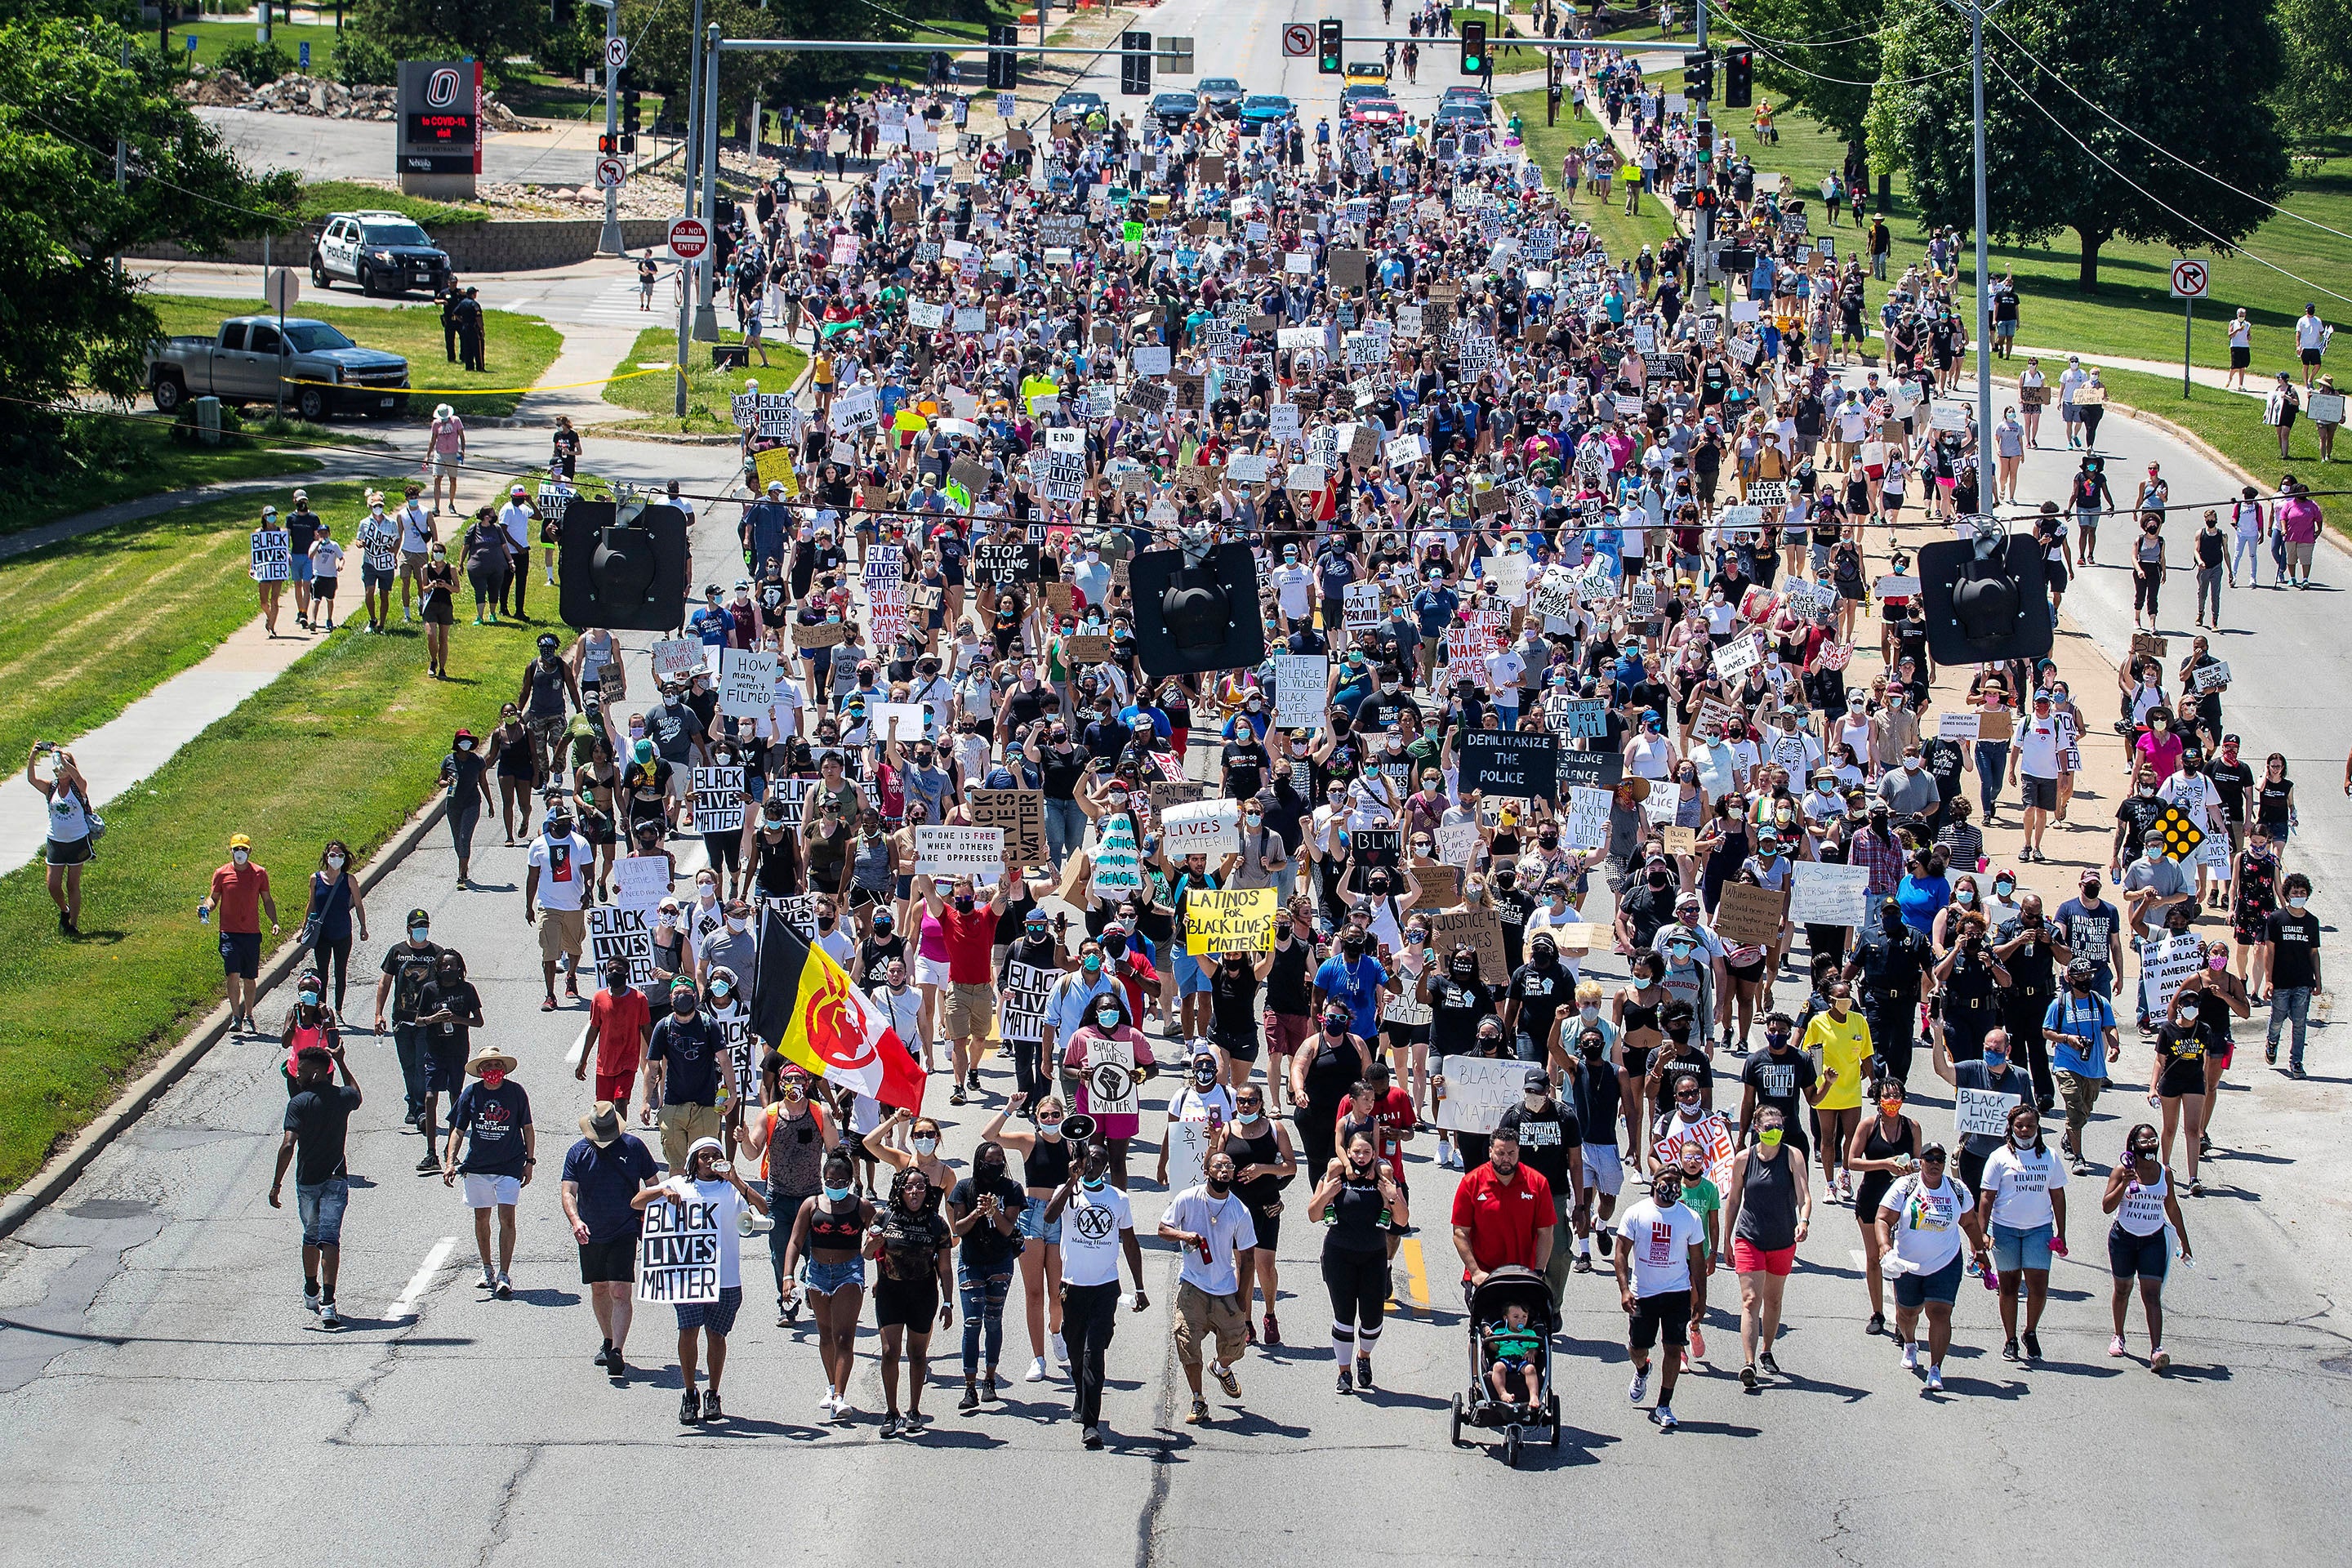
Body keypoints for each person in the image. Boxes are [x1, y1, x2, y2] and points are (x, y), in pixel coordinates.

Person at [635, 1136, 767, 1424]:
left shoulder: (731, 1190)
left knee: (717, 1336)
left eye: (714, 1156)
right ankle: (690, 1391)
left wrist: (736, 1180)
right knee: (688, 1332)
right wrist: (663, 1193)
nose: (709, 1161)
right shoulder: (680, 1184)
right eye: (703, 1156)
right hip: (689, 1277)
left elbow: (764, 1209)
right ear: (694, 1159)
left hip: (725, 1277)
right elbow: (637, 1202)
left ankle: (713, 1392)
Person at [1044, 1139, 1149, 1450]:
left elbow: (1130, 1242)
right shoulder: (1067, 1193)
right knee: (1077, 1353)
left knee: (1094, 1354)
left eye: (1099, 1161)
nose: (1093, 1165)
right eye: (1089, 1160)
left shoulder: (1118, 1198)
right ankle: (1080, 1391)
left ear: (1106, 1167)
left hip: (1105, 1288)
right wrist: (1071, 1180)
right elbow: (1050, 1217)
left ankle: (1091, 1424)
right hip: (1072, 1286)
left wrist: (1140, 1286)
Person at [1875, 1142, 1992, 1392]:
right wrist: (1885, 1246)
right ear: (1922, 1161)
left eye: (1940, 1159)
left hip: (1945, 1262)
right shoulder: (1906, 1186)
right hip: (1908, 1264)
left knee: (1940, 1313)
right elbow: (1883, 1218)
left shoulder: (1957, 1190)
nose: (1935, 1163)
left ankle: (1936, 1367)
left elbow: (1970, 1223)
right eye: (1930, 1158)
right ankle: (1909, 1343)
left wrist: (1980, 1252)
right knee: (1908, 1313)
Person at [559, 1101, 661, 1380]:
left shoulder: (634, 1147)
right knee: (599, 1288)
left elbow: (654, 1185)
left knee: (619, 1290)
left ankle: (617, 1350)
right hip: (591, 1232)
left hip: (625, 1230)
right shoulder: (577, 1153)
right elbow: (568, 1191)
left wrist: (656, 1218)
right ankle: (607, 1339)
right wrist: (576, 1221)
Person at [1159, 1147, 1258, 1423]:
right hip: (1192, 1286)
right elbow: (1162, 1229)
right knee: (1186, 1342)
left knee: (1235, 1346)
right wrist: (1185, 1235)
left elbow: (1248, 1258)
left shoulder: (1240, 1211)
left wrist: (1242, 1299)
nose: (1224, 1170)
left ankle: (1221, 1368)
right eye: (1218, 1166)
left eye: (1229, 1166)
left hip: (1225, 1288)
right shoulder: (1188, 1199)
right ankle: (1198, 1399)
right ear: (1206, 1172)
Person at [269, 1039, 362, 1330]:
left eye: (303, 1069)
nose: (297, 1074)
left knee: (313, 1236)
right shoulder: (341, 1098)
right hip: (336, 1178)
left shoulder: (298, 1103)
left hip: (308, 1181)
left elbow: (288, 1145)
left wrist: (276, 1185)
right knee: (330, 1239)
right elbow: (356, 1094)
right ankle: (328, 1303)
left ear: (319, 1072)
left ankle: (315, 1291)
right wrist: (342, 1061)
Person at [1720, 1105, 1811, 1387]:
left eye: (1779, 1127)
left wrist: (1804, 1221)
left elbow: (1804, 1196)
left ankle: (1766, 1350)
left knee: (1773, 1300)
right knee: (1750, 1300)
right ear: (1757, 1129)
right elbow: (1734, 1199)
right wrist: (1727, 1238)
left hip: (1783, 1238)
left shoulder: (1792, 1156)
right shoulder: (1744, 1159)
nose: (1775, 1132)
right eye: (1769, 1127)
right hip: (1750, 1237)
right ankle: (1748, 1363)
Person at [782, 1147, 875, 1420]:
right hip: (818, 1274)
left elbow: (880, 1239)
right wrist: (788, 1276)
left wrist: (882, 1271)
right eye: (830, 1181)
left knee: (844, 1337)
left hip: (850, 1273)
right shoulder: (811, 1205)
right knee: (826, 1335)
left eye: (841, 1183)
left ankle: (840, 1397)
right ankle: (831, 1384)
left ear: (850, 1182)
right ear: (823, 1179)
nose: (835, 1186)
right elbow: (796, 1241)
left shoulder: (861, 1207)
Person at [1612, 1165, 1708, 1431]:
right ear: (1655, 1183)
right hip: (1644, 1293)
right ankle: (1643, 1369)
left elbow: (1697, 1262)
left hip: (1677, 1293)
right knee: (1638, 1348)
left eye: (1677, 1182)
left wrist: (1701, 1298)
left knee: (1673, 1347)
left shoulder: (1690, 1218)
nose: (1672, 1187)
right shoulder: (1636, 1213)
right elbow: (1620, 1253)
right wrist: (1624, 1289)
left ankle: (1664, 1404)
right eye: (1667, 1181)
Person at [1312, 1126, 1405, 1395]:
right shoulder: (1336, 1174)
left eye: (1366, 1152)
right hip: (1338, 1254)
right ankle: (1344, 1372)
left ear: (1374, 1154)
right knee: (1343, 1317)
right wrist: (1327, 1195)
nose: (1361, 1157)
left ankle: (1363, 1357)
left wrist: (1391, 1195)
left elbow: (1402, 1220)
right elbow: (1313, 1214)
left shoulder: (1384, 1176)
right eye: (1356, 1152)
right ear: (1347, 1153)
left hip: (1374, 1255)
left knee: (1372, 1320)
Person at [866, 1165, 953, 1437]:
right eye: (909, 1187)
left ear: (927, 1191)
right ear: (900, 1191)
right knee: (890, 1352)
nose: (914, 1192)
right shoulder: (884, 1216)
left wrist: (948, 1303)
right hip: (891, 1291)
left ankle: (914, 1410)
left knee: (917, 1355)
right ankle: (892, 1413)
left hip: (923, 1293)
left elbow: (946, 1267)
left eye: (920, 1187)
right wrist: (875, 1241)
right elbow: (867, 1254)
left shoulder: (937, 1223)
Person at [1976, 1103, 2067, 1364]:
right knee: (2009, 1287)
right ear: (2011, 1128)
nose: (2025, 1130)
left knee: (2038, 1287)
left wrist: (2061, 1232)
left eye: (2030, 1126)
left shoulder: (2049, 1156)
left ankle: (2030, 1332)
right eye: (2020, 1126)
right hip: (2005, 1230)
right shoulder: (1999, 1157)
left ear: (2038, 1128)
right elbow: (1986, 1197)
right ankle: (2010, 1339)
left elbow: (2058, 1195)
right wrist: (1982, 1234)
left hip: (2039, 1231)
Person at [441, 1047, 534, 1299]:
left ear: (503, 1069)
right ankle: (487, 1269)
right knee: (482, 1218)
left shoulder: (515, 1092)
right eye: (488, 1066)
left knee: (507, 1218)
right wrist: (451, 1161)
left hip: (510, 1166)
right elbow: (458, 1130)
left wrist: (530, 1161)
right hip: (479, 1168)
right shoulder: (471, 1094)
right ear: (480, 1071)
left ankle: (504, 1274)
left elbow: (527, 1127)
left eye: (497, 1065)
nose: (493, 1070)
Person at [2104, 1122, 2191, 1371]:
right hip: (2124, 1239)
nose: (2150, 1144)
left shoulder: (2165, 1173)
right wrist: (2124, 1184)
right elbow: (2107, 1206)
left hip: (2153, 1240)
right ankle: (2118, 1336)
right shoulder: (2122, 1170)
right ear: (2133, 1146)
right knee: (2122, 1289)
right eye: (2144, 1141)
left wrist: (2185, 1242)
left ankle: (2156, 1349)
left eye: (2153, 1140)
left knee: (2152, 1295)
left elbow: (2172, 1208)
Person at [947, 1140, 1026, 1410]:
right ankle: (969, 1386)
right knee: (971, 1322)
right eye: (990, 1161)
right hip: (972, 1263)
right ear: (979, 1162)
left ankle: (989, 1379)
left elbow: (1007, 1229)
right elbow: (958, 1229)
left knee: (993, 1320)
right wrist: (977, 1213)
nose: (996, 1165)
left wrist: (995, 1211)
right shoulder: (964, 1188)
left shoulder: (1012, 1189)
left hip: (1000, 1263)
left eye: (1000, 1160)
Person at [1847, 1078, 1922, 1336]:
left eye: (1897, 1096)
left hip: (1902, 1200)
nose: (1893, 1101)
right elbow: (1852, 1161)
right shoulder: (1868, 1125)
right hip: (1872, 1196)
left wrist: (1908, 1167)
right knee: (1874, 1257)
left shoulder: (1912, 1126)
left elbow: (1918, 1163)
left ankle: (1904, 1318)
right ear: (1878, 1099)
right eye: (1887, 1096)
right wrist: (1885, 1164)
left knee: (1900, 1257)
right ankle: (1877, 1312)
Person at [644, 977, 726, 1171]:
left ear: (695, 997)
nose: (682, 997)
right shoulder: (663, 1026)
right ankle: (679, 1201)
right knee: (677, 1167)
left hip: (705, 1105)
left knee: (706, 1166)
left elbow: (725, 1061)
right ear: (671, 998)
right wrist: (646, 1100)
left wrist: (731, 1093)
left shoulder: (708, 1024)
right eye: (678, 993)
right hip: (673, 1104)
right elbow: (652, 1065)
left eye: (687, 993)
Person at [201, 833, 279, 1034]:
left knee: (249, 977)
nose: (240, 853)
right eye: (237, 849)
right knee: (232, 973)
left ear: (250, 851)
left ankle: (249, 1014)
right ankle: (236, 1016)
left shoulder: (259, 873)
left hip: (251, 933)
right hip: (229, 933)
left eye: (244, 849)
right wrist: (206, 908)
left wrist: (275, 922)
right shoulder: (221, 873)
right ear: (231, 851)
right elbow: (213, 899)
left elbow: (267, 900)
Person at [523, 805, 594, 1010]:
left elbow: (588, 872)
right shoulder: (538, 845)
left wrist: (588, 892)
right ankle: (550, 995)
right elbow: (533, 877)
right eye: (561, 822)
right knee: (549, 951)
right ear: (552, 824)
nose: (566, 825)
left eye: (568, 821)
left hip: (574, 904)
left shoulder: (580, 843)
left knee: (575, 947)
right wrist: (529, 906)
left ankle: (571, 975)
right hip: (548, 905)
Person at [27, 744, 92, 934]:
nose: (60, 768)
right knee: (53, 884)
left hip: (77, 840)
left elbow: (79, 778)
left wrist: (62, 757)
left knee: (72, 884)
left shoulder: (78, 786)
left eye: (64, 764)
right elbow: (32, 779)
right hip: (56, 841)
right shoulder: (51, 788)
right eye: (57, 764)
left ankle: (73, 924)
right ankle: (65, 910)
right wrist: (34, 755)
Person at [301, 839, 369, 1017]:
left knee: (340, 971)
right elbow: (312, 904)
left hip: (342, 934)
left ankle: (338, 1009)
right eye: (332, 855)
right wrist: (304, 928)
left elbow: (359, 905)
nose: (336, 858)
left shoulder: (349, 880)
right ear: (326, 857)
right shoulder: (315, 879)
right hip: (322, 935)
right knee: (322, 973)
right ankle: (321, 1008)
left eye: (340, 855)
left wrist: (363, 927)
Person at [2263, 871, 2321, 1077]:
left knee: (2299, 1022)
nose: (2298, 895)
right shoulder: (2276, 919)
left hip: (2303, 981)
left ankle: (2296, 1061)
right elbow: (2269, 950)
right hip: (2280, 980)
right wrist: (2268, 980)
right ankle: (2272, 1042)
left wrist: (2318, 981)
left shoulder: (2312, 922)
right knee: (2277, 1019)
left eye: (2302, 892)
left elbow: (2314, 952)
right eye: (2295, 892)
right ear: (2287, 894)